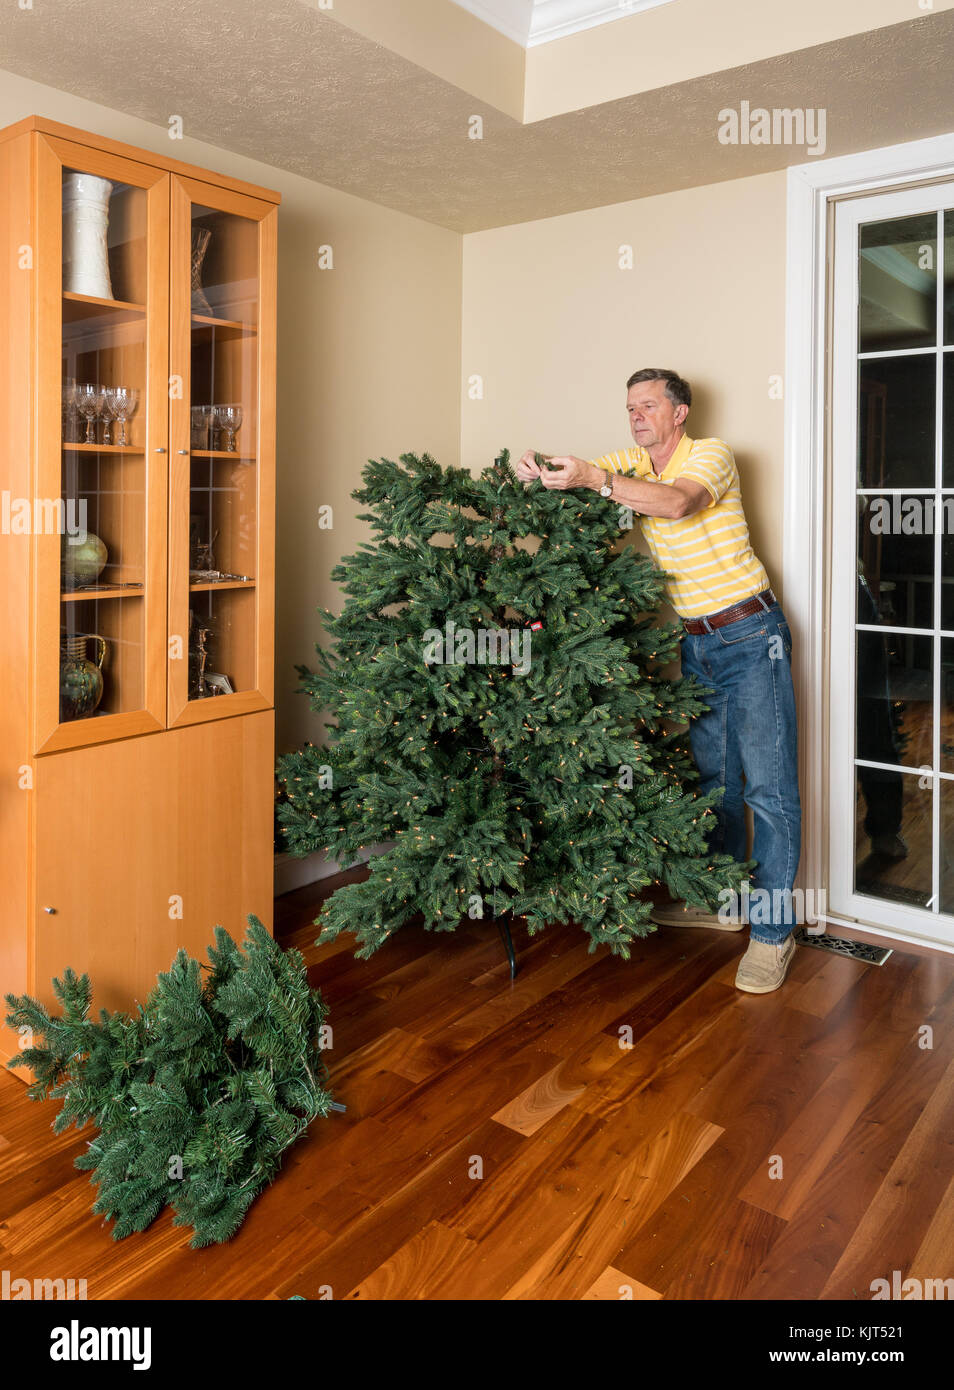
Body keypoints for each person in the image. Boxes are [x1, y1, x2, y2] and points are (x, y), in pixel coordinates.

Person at [516, 368, 801, 994]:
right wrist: (538, 468)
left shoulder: (713, 456)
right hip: (697, 641)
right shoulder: (630, 462)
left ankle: (774, 933)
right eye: (629, 408)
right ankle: (722, 900)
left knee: (769, 791)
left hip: (753, 635)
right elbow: (583, 475)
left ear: (680, 412)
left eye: (648, 406)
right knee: (715, 781)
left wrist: (598, 479)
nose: (637, 416)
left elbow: (678, 502)